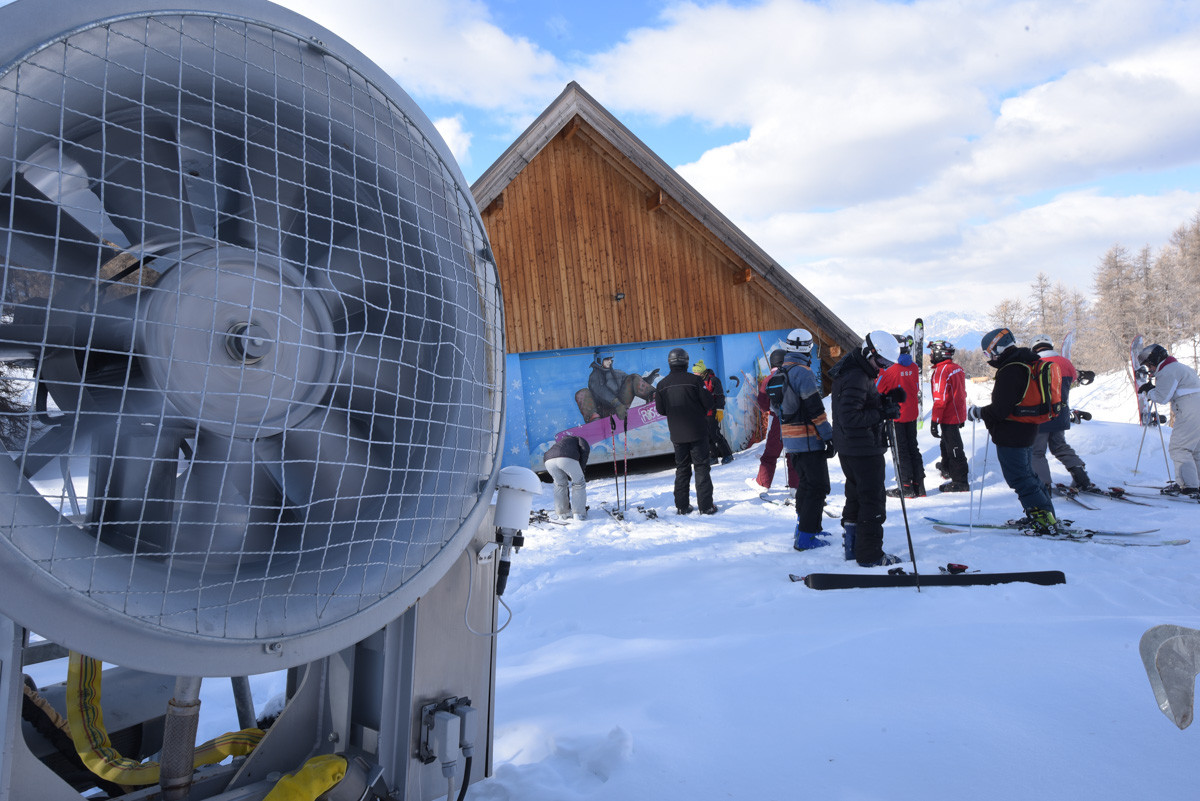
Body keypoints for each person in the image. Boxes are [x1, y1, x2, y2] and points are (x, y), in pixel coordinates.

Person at [966, 328, 1066, 536]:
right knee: (1028, 475)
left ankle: (1043, 520)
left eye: (988, 353)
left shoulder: (1010, 369)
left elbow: (1000, 409)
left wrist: (978, 412)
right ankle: (1043, 514)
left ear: (998, 349)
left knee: (1019, 478)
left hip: (1012, 433)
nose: (989, 359)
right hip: (1028, 428)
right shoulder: (1027, 361)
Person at [830, 330, 903, 566]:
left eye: (888, 364)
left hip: (852, 448)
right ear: (868, 352)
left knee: (856, 496)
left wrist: (886, 400)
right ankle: (870, 554)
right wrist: (882, 412)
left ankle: (853, 546)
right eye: (881, 361)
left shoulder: (854, 371)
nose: (882, 367)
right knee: (872, 500)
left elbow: (860, 404)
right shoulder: (857, 376)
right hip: (863, 449)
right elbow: (851, 416)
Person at [775, 328, 837, 551]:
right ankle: (807, 537)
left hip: (791, 441)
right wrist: (829, 436)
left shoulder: (780, 372)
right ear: (808, 348)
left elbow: (776, 408)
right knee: (817, 488)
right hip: (809, 440)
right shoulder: (803, 373)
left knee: (805, 486)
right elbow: (815, 409)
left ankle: (805, 528)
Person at [654, 347, 718, 514]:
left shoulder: (661, 385)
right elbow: (709, 403)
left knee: (682, 468)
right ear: (686, 362)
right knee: (701, 467)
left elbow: (660, 410)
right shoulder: (695, 381)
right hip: (698, 430)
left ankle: (682, 506)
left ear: (670, 362)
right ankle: (706, 506)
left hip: (677, 433)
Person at [1029, 335, 1095, 491]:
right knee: (1059, 446)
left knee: (1037, 452)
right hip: (1061, 413)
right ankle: (1080, 476)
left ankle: (1043, 486)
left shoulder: (1034, 363)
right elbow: (1074, 378)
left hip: (1041, 415)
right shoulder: (1066, 362)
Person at [1137, 344, 1200, 497]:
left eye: (1149, 364)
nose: (1149, 369)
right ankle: (1195, 483)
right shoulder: (1179, 367)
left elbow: (1162, 397)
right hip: (1196, 407)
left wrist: (1149, 391)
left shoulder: (1167, 370)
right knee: (1195, 450)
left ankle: (1189, 487)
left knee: (1179, 448)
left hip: (1190, 410)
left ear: (1155, 359)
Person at [876, 336, 924, 497]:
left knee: (900, 451)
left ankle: (905, 486)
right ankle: (919, 485)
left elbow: (878, 390)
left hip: (896, 415)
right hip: (912, 413)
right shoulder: (914, 367)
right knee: (913, 448)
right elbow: (916, 388)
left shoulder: (888, 370)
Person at [752, 349, 798, 492]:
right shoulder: (794, 375)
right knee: (793, 454)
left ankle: (762, 483)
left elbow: (763, 404)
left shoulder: (769, 379)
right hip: (796, 419)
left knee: (771, 453)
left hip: (778, 420)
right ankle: (796, 487)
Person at [928, 340, 969, 492]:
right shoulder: (957, 368)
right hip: (956, 413)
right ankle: (947, 467)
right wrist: (961, 417)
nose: (930, 355)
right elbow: (961, 394)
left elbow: (940, 400)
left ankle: (960, 480)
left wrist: (934, 420)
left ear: (940, 353)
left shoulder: (941, 371)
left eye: (932, 352)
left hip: (949, 415)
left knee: (954, 446)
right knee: (946, 441)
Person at [576, 350, 658, 422]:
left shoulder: (617, 373)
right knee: (582, 393)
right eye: (606, 359)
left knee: (633, 377)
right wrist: (617, 404)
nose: (609, 361)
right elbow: (601, 391)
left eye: (610, 359)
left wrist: (647, 380)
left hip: (621, 407)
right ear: (599, 360)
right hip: (605, 411)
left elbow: (632, 384)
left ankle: (653, 396)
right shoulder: (594, 377)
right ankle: (593, 419)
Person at [693, 361, 734, 465]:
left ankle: (727, 454)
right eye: (694, 374)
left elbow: (720, 396)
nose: (695, 375)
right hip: (702, 413)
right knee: (706, 436)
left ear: (702, 372)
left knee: (715, 434)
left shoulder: (713, 380)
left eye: (696, 374)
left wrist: (720, 410)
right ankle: (713, 456)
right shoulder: (697, 381)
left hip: (713, 411)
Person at [544, 435, 591, 520]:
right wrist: (581, 469)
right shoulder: (580, 439)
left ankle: (562, 513)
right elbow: (584, 452)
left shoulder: (560, 443)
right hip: (566, 458)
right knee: (579, 483)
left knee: (559, 484)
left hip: (548, 460)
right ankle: (579, 513)